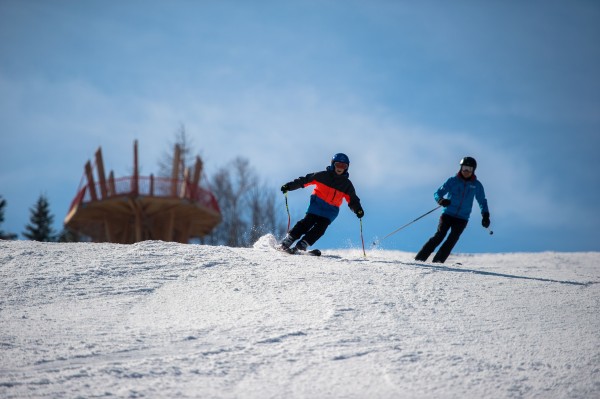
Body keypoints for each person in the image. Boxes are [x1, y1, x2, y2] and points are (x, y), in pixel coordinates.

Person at [279, 153, 364, 253]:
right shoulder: (322, 176)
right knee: (307, 222)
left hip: (330, 211)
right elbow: (305, 180)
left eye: (343, 166)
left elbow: (353, 199)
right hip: (317, 205)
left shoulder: (347, 185)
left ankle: (303, 244)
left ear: (347, 168)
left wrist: (358, 209)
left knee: (320, 228)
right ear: (333, 164)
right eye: (338, 165)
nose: (340, 168)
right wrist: (289, 186)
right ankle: (289, 239)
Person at [414, 156, 490, 263]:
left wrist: (485, 215)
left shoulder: (476, 185)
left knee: (452, 239)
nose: (466, 171)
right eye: (464, 168)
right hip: (448, 214)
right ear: (460, 168)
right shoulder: (453, 181)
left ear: (473, 170)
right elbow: (438, 193)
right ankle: (419, 259)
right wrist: (441, 200)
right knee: (439, 235)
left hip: (462, 218)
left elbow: (482, 201)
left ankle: (438, 261)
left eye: (469, 169)